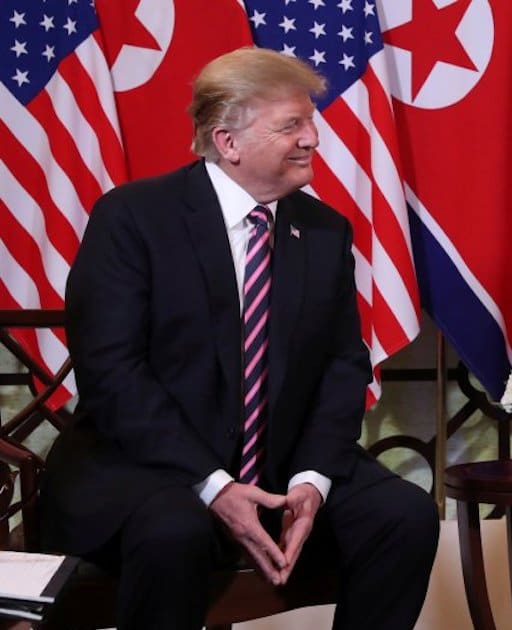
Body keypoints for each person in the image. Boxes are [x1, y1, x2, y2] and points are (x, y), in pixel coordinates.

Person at [39, 47, 438, 629]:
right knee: (173, 530)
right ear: (228, 142)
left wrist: (312, 480)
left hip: (278, 467)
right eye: (291, 125)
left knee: (401, 515)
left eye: (310, 120)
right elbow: (113, 375)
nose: (313, 139)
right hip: (150, 469)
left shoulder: (323, 229)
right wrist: (216, 485)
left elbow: (342, 366)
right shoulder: (133, 219)